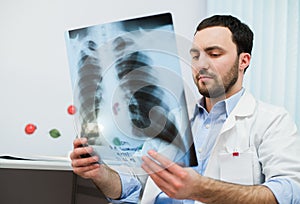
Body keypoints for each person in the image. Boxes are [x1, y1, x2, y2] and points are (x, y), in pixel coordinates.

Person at [70, 15, 300, 203]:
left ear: (244, 61)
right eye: (195, 55)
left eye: (214, 54)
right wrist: (100, 173)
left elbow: (289, 191)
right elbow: (137, 185)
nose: (201, 64)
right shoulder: (172, 117)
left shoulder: (272, 120)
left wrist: (202, 189)